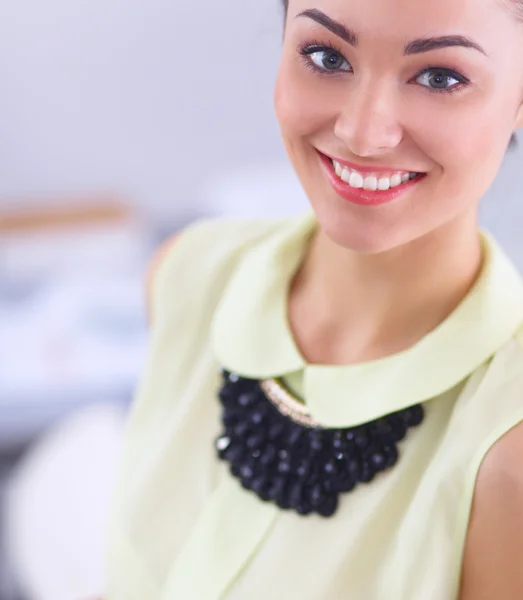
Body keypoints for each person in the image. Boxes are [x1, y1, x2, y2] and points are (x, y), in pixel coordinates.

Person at [106, 0, 523, 598]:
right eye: (326, 56)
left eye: (440, 77)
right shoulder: (188, 276)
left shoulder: (509, 446)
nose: (362, 131)